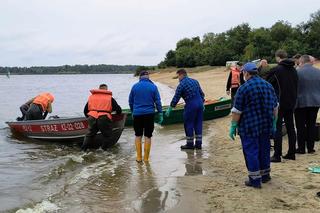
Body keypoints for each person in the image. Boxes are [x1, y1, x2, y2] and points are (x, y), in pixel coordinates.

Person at [229, 62, 278, 188]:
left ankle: (255, 180)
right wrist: (274, 122)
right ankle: (265, 176)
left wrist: (233, 126)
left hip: (249, 126)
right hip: (266, 125)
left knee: (251, 152)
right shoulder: (268, 85)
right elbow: (275, 107)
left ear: (246, 73)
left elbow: (237, 111)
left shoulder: (244, 88)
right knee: (264, 150)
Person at [266, 49, 298, 162]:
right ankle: (291, 153)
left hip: (279, 103)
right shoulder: (294, 69)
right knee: (290, 127)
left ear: (277, 57)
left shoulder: (277, 70)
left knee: (277, 128)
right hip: (292, 102)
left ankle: (277, 154)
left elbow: (267, 84)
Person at [166, 69, 205, 149]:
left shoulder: (181, 85)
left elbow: (176, 98)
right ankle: (198, 144)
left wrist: (170, 107)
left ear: (181, 75)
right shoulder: (195, 81)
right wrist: (202, 103)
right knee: (198, 124)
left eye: (178, 77)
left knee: (188, 124)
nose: (178, 79)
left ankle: (190, 144)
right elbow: (201, 94)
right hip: (200, 104)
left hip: (191, 105)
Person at [129, 71, 163, 162]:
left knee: (138, 135)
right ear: (148, 77)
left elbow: (130, 101)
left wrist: (133, 111)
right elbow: (158, 101)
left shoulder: (134, 87)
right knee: (148, 136)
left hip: (137, 114)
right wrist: (160, 113)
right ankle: (146, 159)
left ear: (140, 77)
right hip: (149, 114)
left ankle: (139, 158)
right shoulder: (153, 87)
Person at [82, 84, 122, 151]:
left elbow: (85, 110)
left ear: (99, 89)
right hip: (104, 117)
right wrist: (116, 114)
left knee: (89, 135)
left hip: (92, 117)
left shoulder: (92, 97)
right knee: (107, 135)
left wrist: (89, 117)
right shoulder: (109, 98)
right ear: (106, 90)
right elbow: (118, 110)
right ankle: (103, 150)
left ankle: (83, 150)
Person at [295, 55, 320, 154]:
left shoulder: (297, 72)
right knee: (311, 124)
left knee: (300, 126)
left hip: (300, 101)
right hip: (315, 101)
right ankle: (310, 148)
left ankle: (301, 148)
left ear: (301, 61)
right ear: (310, 61)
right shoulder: (318, 72)